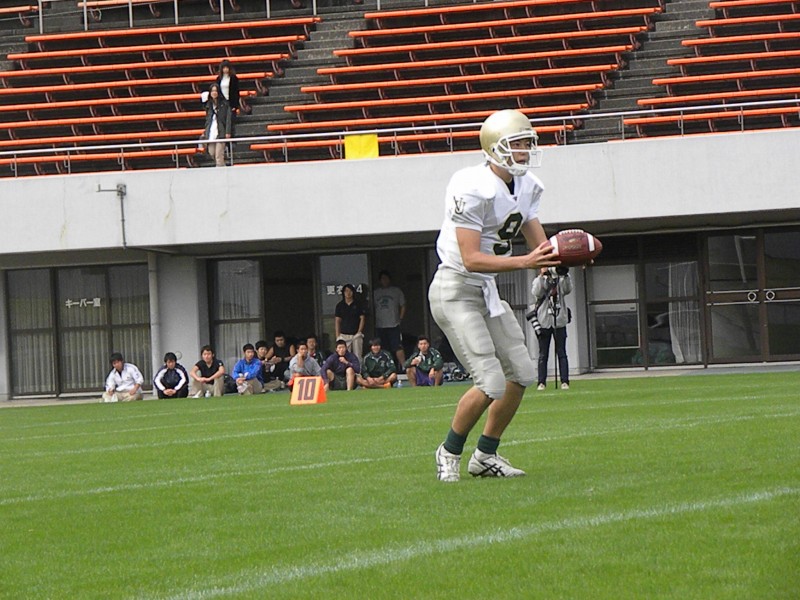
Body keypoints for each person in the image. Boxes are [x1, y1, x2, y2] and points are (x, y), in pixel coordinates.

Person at [429, 108, 560, 482]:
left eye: (527, 143)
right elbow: (470, 258)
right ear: (495, 148)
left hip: (485, 291)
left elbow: (537, 240)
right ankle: (449, 451)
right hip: (455, 289)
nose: (524, 151)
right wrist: (526, 262)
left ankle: (485, 455)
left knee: (521, 372)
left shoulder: (527, 185)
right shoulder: (472, 186)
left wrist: (555, 266)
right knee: (490, 381)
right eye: (517, 144)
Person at [531, 266, 573, 390]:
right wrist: (542, 276)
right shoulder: (539, 280)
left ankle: (564, 381)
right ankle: (541, 382)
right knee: (543, 354)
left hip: (559, 320)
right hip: (544, 321)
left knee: (562, 352)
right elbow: (536, 293)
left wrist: (564, 275)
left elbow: (567, 289)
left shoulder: (560, 280)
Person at [373, 270, 407, 370]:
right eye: (382, 279)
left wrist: (400, 318)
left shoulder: (396, 291)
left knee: (397, 347)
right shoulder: (375, 293)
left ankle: (404, 367)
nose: (384, 281)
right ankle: (384, 368)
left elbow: (403, 305)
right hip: (380, 325)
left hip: (394, 324)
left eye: (386, 278)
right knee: (382, 348)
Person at [200, 82, 231, 167]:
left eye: (215, 91)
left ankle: (220, 170)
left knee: (218, 155)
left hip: (221, 131)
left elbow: (228, 119)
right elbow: (207, 119)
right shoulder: (208, 105)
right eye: (212, 91)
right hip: (211, 131)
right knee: (211, 152)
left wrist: (227, 131)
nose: (214, 93)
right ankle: (223, 166)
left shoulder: (225, 104)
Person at [334, 283, 366, 360]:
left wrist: (359, 332)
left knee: (357, 356)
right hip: (344, 334)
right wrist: (338, 336)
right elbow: (337, 321)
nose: (348, 293)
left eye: (350, 291)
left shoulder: (358, 304)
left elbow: (362, 318)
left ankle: (358, 368)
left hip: (356, 334)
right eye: (346, 291)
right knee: (344, 356)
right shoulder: (340, 305)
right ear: (343, 293)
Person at [215, 59, 240, 135]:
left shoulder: (234, 78)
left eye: (227, 68)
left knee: (230, 121)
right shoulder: (219, 79)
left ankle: (229, 136)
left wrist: (235, 105)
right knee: (222, 120)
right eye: (224, 68)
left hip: (230, 102)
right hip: (222, 102)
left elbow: (236, 92)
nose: (225, 70)